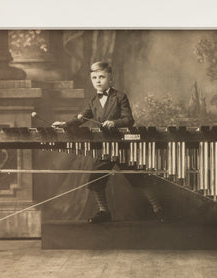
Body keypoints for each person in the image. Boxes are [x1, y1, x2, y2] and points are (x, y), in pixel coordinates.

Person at [53, 61, 164, 223]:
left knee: (138, 179)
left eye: (102, 77)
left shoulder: (120, 97)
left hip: (123, 147)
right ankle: (104, 211)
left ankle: (158, 209)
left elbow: (129, 120)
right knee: (95, 181)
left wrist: (115, 123)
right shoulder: (93, 102)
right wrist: (65, 124)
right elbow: (80, 118)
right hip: (105, 148)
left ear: (110, 79)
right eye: (94, 78)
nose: (98, 80)